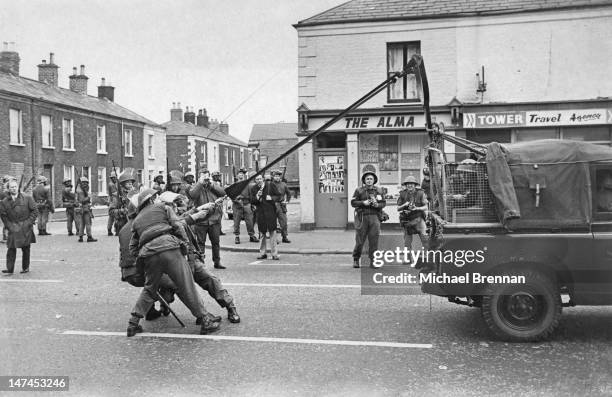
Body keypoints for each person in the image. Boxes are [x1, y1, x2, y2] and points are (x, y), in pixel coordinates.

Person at [127, 188, 219, 336]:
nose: (157, 199)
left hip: (149, 254)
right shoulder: (164, 208)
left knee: (150, 288)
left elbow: (132, 247)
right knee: (186, 284)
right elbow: (178, 226)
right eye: (155, 197)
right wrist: (186, 247)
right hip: (170, 249)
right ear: (150, 200)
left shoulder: (136, 220)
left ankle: (133, 323)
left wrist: (144, 255)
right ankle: (205, 321)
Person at [160, 191, 240, 323]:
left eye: (179, 205)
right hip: (175, 263)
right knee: (165, 289)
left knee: (211, 280)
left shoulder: (177, 216)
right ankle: (162, 307)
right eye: (176, 205)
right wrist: (195, 215)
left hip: (191, 259)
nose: (179, 208)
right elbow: (182, 221)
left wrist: (208, 206)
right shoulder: (161, 221)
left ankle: (230, 307)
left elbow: (185, 216)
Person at [187, 170, 226, 269]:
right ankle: (201, 264)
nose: (206, 179)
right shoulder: (195, 187)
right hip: (201, 220)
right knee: (200, 243)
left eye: (207, 176)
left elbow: (222, 192)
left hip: (214, 219)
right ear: (199, 177)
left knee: (216, 242)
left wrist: (211, 184)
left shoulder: (212, 187)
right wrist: (200, 183)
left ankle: (217, 262)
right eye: (204, 176)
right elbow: (192, 195)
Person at [0, 179, 38, 274]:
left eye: (15, 186)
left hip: (25, 226)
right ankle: (10, 269)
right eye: (11, 187)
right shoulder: (4, 202)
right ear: (8, 189)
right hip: (13, 227)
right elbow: (3, 216)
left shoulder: (27, 198)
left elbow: (34, 211)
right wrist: (9, 226)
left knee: (26, 248)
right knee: (11, 248)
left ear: (18, 187)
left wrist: (28, 222)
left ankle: (25, 267)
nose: (14, 188)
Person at [351, 171, 386, 268]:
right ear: (364, 180)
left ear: (374, 180)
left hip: (375, 217)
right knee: (360, 240)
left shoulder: (379, 190)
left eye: (371, 179)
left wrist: (377, 205)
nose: (369, 180)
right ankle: (356, 259)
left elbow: (383, 203)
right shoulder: (359, 190)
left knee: (374, 240)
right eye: (367, 179)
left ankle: (373, 261)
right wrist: (363, 203)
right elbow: (353, 203)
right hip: (362, 217)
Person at [397, 176, 429, 256]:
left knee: (425, 239)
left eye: (411, 184)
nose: (409, 185)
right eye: (408, 184)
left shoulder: (421, 193)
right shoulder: (402, 194)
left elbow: (426, 207)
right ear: (405, 185)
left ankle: (427, 257)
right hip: (407, 220)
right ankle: (408, 258)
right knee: (407, 242)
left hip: (419, 219)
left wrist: (416, 208)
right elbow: (398, 208)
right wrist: (405, 205)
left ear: (415, 185)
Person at [252, 174, 280, 260]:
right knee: (262, 234)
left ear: (263, 179)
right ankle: (263, 253)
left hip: (270, 212)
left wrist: (271, 198)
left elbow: (278, 196)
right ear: (255, 181)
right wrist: (257, 197)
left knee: (272, 233)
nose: (259, 180)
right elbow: (252, 200)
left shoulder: (270, 185)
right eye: (257, 179)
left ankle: (274, 254)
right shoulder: (254, 189)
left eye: (260, 179)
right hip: (261, 214)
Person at [232, 168, 258, 244]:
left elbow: (251, 195)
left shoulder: (248, 184)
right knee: (236, 222)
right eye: (239, 174)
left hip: (247, 204)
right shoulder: (234, 185)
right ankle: (237, 236)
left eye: (242, 174)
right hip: (237, 205)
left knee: (250, 221)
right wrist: (237, 200)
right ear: (237, 176)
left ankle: (251, 235)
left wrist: (252, 204)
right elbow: (232, 196)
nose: (241, 175)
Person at [271, 170, 291, 243]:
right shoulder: (270, 185)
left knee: (284, 222)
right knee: (273, 223)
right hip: (272, 205)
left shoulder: (283, 184)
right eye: (275, 176)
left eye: (278, 176)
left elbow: (289, 194)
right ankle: (274, 239)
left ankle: (284, 237)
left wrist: (287, 201)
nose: (277, 177)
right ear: (273, 177)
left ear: (280, 177)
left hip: (281, 205)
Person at [75, 177, 97, 243]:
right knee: (88, 223)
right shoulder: (81, 191)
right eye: (84, 183)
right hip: (85, 208)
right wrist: (88, 197)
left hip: (81, 208)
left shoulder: (78, 189)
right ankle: (89, 237)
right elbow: (82, 200)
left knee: (82, 223)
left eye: (86, 183)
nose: (86, 184)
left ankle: (80, 237)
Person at [107, 171, 119, 236]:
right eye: (113, 178)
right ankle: (114, 230)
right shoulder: (111, 184)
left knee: (113, 217)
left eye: (115, 177)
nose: (114, 178)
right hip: (114, 202)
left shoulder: (116, 183)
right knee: (115, 216)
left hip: (114, 201)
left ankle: (111, 229)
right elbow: (114, 193)